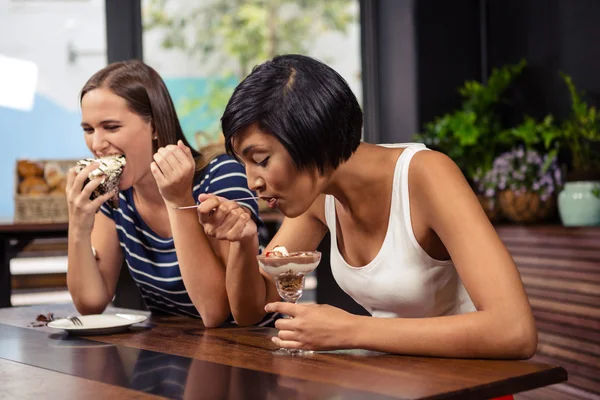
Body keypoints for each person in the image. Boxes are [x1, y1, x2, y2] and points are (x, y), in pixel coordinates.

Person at [197, 54, 538, 358]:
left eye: (262, 159)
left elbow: (514, 330)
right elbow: (252, 309)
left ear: (313, 139)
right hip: (392, 383)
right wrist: (242, 241)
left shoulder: (426, 176)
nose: (252, 181)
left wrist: (352, 331)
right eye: (245, 165)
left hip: (468, 387)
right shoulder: (319, 196)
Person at [65, 60, 272, 328]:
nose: (97, 144)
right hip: (176, 351)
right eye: (88, 129)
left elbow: (215, 311)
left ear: (154, 127)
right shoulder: (116, 198)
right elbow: (90, 304)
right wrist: (79, 226)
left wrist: (178, 200)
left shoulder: (221, 176)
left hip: (253, 348)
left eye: (112, 127)